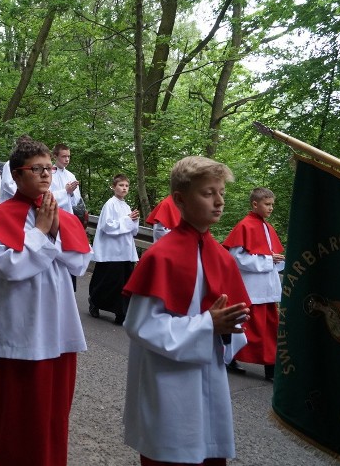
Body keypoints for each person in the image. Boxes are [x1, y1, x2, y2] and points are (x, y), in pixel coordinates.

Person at [122, 155, 252, 466]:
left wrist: (231, 326)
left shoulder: (221, 257)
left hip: (210, 374)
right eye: (208, 193)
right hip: (169, 380)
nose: (219, 201)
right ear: (180, 199)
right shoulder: (160, 257)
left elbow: (234, 325)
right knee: (172, 451)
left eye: (221, 192)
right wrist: (208, 324)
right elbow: (140, 326)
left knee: (208, 451)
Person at [0, 139, 91, 465]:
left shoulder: (58, 213)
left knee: (54, 410)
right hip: (19, 329)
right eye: (36, 169)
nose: (45, 175)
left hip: (57, 328)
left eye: (48, 168)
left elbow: (80, 264)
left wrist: (53, 232)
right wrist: (40, 231)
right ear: (15, 175)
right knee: (20, 409)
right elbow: (11, 267)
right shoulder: (1, 216)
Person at [222, 187, 285, 381]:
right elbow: (235, 258)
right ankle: (231, 358)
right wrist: (267, 260)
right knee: (249, 327)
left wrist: (276, 259)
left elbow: (274, 255)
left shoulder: (267, 227)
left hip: (267, 287)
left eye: (272, 204)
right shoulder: (245, 226)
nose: (271, 208)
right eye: (267, 204)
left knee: (270, 328)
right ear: (255, 204)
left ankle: (271, 366)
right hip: (252, 288)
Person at [88, 174, 140, 324]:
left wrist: (134, 220)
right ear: (113, 187)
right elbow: (107, 226)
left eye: (126, 186)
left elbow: (133, 230)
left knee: (124, 282)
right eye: (121, 185)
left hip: (125, 250)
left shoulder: (127, 206)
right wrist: (128, 220)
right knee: (107, 281)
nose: (124, 188)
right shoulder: (110, 204)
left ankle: (121, 312)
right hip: (111, 251)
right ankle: (95, 302)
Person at [49, 143, 81, 214]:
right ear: (55, 157)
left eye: (68, 156)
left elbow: (76, 202)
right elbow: (45, 197)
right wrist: (66, 191)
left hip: (68, 214)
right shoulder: (48, 174)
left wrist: (72, 193)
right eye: (64, 156)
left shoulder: (71, 176)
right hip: (52, 214)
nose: (67, 159)